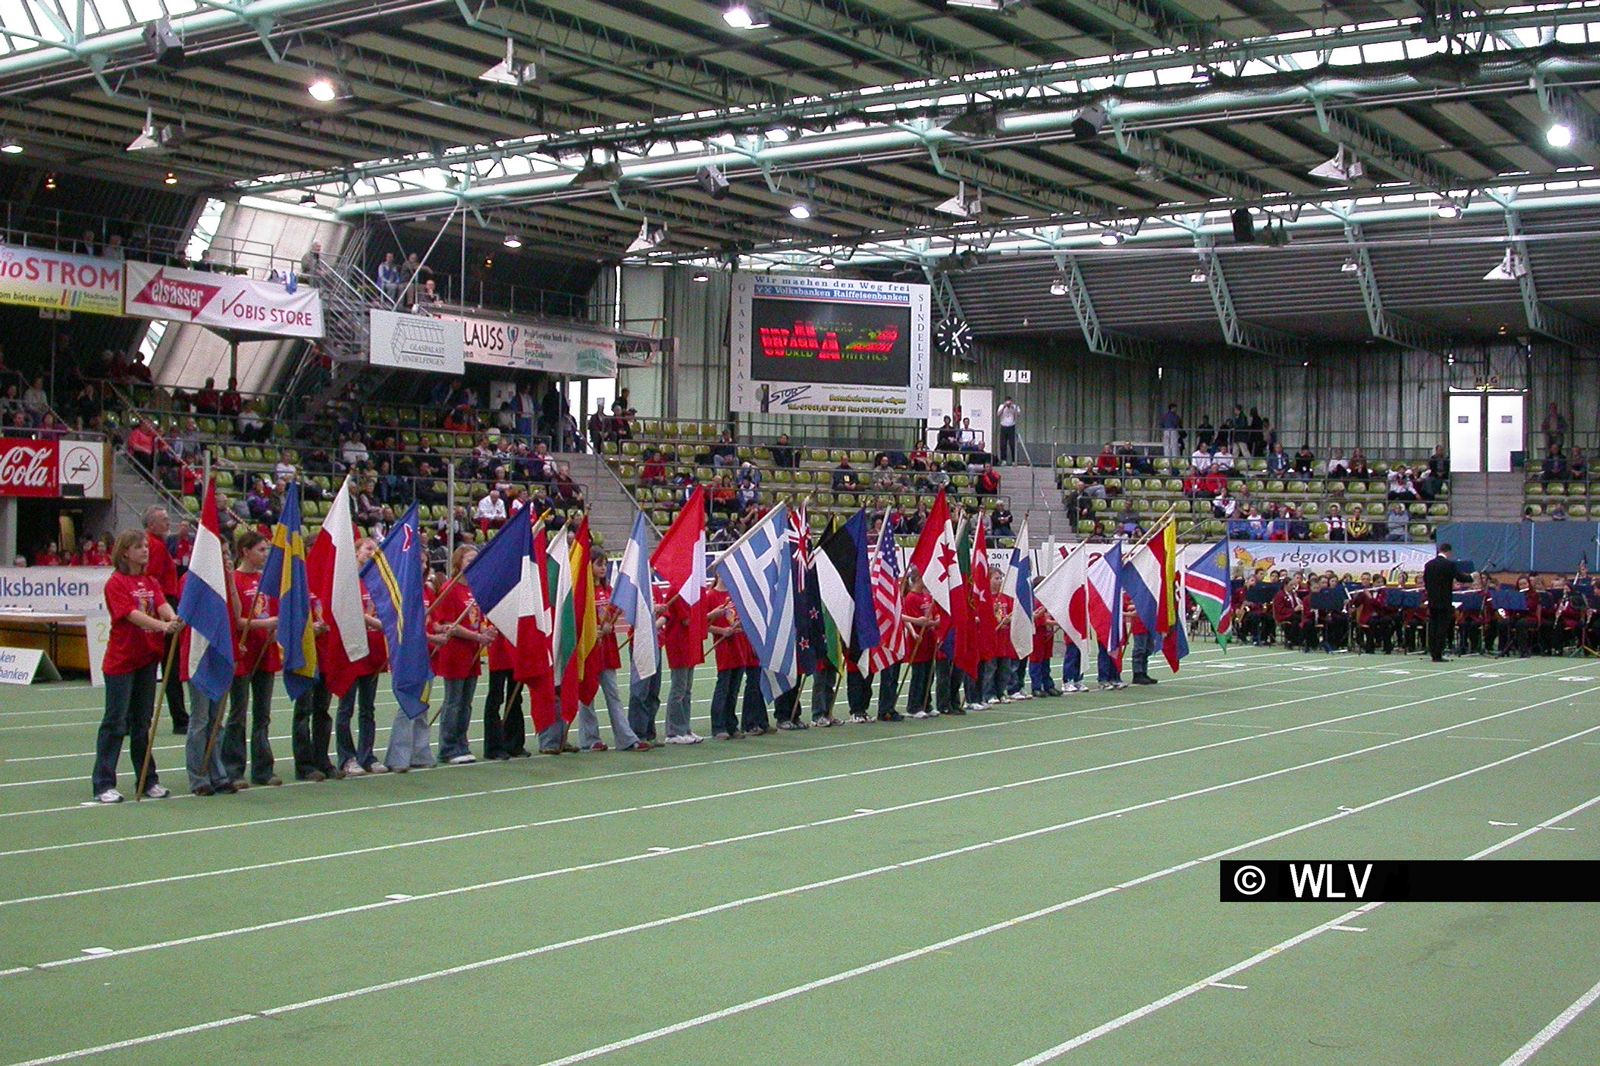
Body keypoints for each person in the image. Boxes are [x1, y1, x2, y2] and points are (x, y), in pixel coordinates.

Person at [91, 530, 184, 803]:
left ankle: (147, 779)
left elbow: (162, 605)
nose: (145, 550)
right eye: (138, 547)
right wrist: (162, 627)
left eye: (145, 546)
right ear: (125, 552)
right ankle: (103, 783)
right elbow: (132, 615)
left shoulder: (150, 581)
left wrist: (173, 618)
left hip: (147, 659)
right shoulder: (116, 583)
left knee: (143, 722)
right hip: (122, 661)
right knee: (115, 722)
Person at [225, 530, 282, 789]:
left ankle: (263, 768)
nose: (265, 554)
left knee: (263, 713)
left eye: (266, 549)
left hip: (265, 651)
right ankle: (233, 768)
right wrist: (265, 624)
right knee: (238, 712)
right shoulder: (235, 580)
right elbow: (236, 620)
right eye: (260, 550)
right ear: (245, 552)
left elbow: (275, 613)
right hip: (244, 652)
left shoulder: (266, 581)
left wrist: (274, 629)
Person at [578, 557, 650, 751]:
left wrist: (610, 625)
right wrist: (591, 631)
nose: (603, 568)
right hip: (588, 651)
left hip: (607, 651)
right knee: (587, 696)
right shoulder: (582, 591)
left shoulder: (609, 591)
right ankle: (590, 739)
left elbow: (613, 614)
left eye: (604, 564)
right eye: (598, 564)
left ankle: (626, 738)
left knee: (613, 695)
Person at [335, 538, 391, 776]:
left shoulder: (377, 582)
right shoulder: (347, 581)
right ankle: (346, 757)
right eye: (368, 548)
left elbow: (386, 612)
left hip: (373, 651)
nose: (372, 552)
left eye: (376, 550)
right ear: (356, 551)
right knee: (346, 707)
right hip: (351, 649)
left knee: (368, 707)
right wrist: (375, 623)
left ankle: (367, 755)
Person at [431, 546, 491, 765]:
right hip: (455, 653)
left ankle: (461, 744)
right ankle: (448, 748)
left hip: (472, 654)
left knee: (466, 703)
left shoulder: (475, 589)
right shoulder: (450, 588)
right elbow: (449, 624)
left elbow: (477, 620)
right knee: (453, 702)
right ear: (458, 563)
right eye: (468, 560)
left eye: (476, 559)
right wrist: (476, 636)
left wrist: (485, 632)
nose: (472, 563)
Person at [1423, 543, 1465, 663]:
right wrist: (1471, 577)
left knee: (1433, 626)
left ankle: (1433, 652)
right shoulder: (1449, 564)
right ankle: (1438, 653)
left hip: (1432, 600)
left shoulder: (1429, 564)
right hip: (1444, 600)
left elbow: (1426, 581)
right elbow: (1460, 577)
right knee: (1442, 627)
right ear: (1449, 552)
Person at [996, 395, 1020, 464]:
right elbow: (998, 414)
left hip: (1011, 426)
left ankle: (1013, 460)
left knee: (1012, 444)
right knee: (1003, 444)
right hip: (1003, 426)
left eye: (1009, 401)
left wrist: (1012, 407)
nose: (1008, 403)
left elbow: (1018, 414)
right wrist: (1004, 406)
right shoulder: (1001, 406)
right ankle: (1003, 460)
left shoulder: (1015, 406)